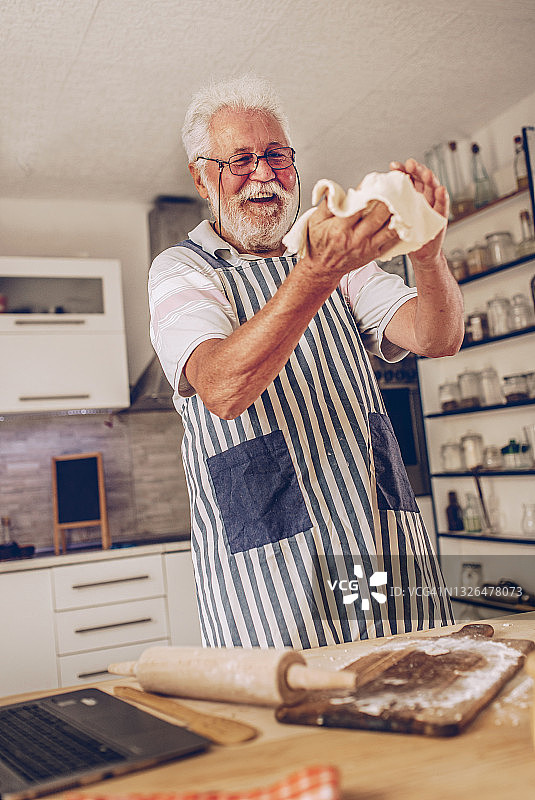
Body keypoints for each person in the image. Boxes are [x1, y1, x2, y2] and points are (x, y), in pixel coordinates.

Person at [149, 75, 464, 649]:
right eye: (240, 160)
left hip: (374, 537)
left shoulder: (336, 251)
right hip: (270, 564)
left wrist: (428, 253)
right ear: (202, 176)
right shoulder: (182, 270)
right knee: (300, 713)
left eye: (276, 155)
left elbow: (435, 336)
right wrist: (315, 275)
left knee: (407, 682)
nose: (264, 174)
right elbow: (223, 387)